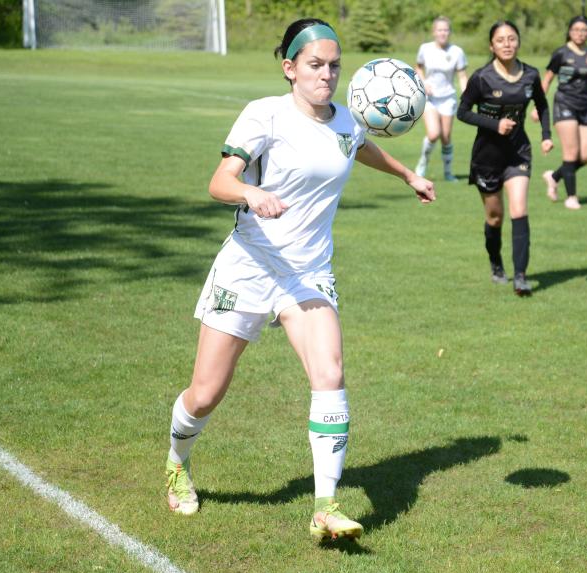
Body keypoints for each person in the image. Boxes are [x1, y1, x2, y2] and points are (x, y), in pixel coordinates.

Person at [163, 18, 435, 541]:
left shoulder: (349, 122)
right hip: (249, 266)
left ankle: (325, 507)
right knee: (205, 392)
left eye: (334, 66)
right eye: (315, 65)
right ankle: (177, 462)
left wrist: (408, 175)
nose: (326, 75)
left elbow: (357, 147)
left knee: (329, 373)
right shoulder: (264, 114)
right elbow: (220, 180)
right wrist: (251, 194)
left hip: (307, 274)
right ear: (290, 68)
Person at [457, 20, 553, 296]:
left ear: (518, 42)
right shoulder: (481, 77)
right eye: (501, 40)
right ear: (492, 45)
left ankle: (520, 277)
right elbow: (462, 112)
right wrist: (494, 124)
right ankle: (496, 263)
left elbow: (543, 106)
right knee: (495, 218)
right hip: (487, 157)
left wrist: (546, 135)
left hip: (518, 152)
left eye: (512, 39)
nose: (507, 44)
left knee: (519, 210)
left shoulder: (531, 75)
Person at [535, 16, 587, 211]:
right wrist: (537, 105)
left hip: (584, 108)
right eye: (575, 29)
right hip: (564, 104)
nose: (579, 33)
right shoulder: (561, 53)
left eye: (584, 30)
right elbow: (547, 80)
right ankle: (571, 197)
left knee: (585, 156)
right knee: (571, 152)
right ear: (569, 31)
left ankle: (554, 177)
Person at [414, 17, 469, 182]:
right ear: (434, 32)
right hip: (429, 98)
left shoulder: (457, 52)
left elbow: (462, 76)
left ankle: (448, 172)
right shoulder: (425, 48)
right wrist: (423, 83)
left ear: (449, 32)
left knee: (446, 137)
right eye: (439, 30)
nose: (443, 33)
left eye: (446, 30)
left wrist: (467, 95)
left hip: (448, 98)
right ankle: (422, 163)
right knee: (433, 134)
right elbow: (418, 67)